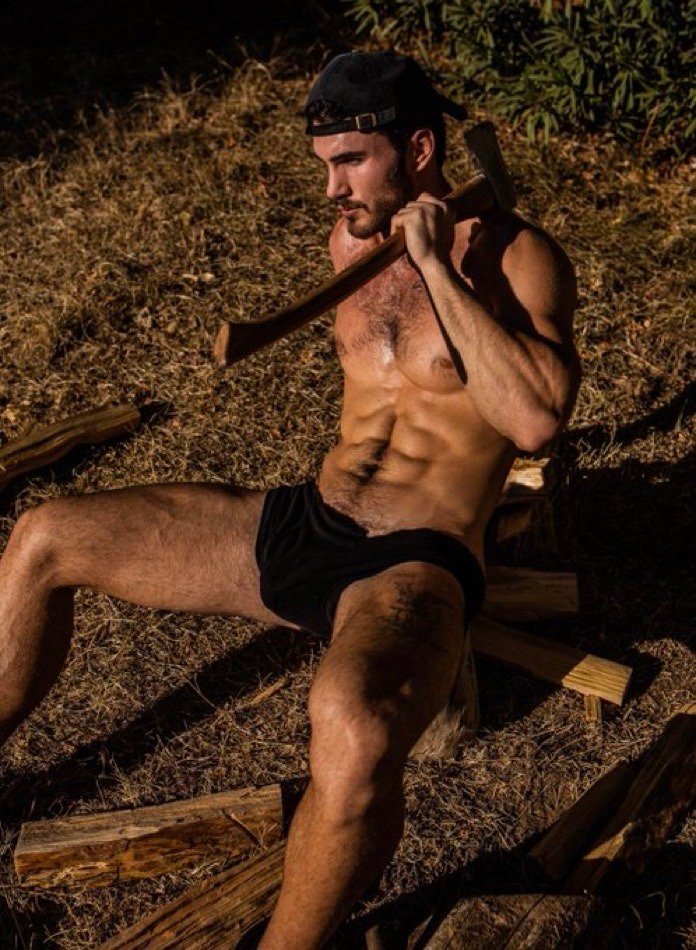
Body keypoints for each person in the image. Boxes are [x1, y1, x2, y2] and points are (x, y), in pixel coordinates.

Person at [0, 50, 581, 948]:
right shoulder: (353, 243)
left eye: (350, 162)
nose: (332, 190)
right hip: (311, 518)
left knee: (356, 727)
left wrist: (437, 267)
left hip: (414, 557)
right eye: (324, 165)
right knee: (45, 537)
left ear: (419, 150)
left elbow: (537, 419)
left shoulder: (519, 257)